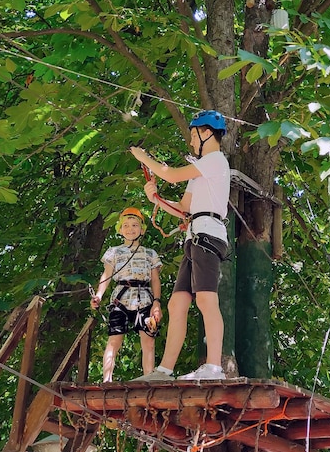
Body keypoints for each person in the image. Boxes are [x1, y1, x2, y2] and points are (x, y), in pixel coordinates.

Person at [130, 109, 230, 381]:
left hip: (208, 234)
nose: (190, 142)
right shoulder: (201, 172)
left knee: (207, 299)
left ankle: (214, 368)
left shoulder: (215, 160)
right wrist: (157, 200)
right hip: (195, 235)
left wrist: (144, 158)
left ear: (206, 133)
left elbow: (171, 175)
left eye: (192, 135)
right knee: (176, 304)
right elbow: (185, 208)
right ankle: (164, 370)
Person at [90, 207, 162, 382]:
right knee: (114, 339)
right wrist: (99, 294)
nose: (131, 229)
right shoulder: (113, 252)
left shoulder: (150, 254)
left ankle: (148, 379)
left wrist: (157, 303)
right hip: (120, 298)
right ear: (120, 229)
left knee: (148, 341)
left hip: (144, 298)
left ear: (142, 229)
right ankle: (107, 379)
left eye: (135, 225)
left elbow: (155, 279)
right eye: (126, 225)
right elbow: (106, 275)